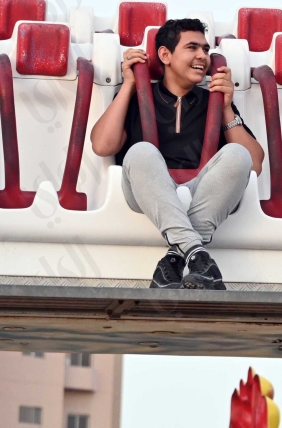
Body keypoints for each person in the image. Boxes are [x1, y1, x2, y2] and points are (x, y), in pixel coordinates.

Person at [91, 18, 265, 290]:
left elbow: (253, 164)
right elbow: (102, 145)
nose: (202, 56)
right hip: (149, 193)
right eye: (192, 48)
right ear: (165, 55)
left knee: (237, 154)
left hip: (200, 196)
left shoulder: (213, 101)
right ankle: (197, 253)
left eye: (205, 50)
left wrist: (226, 109)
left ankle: (177, 258)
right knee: (141, 151)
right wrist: (128, 85)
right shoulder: (138, 98)